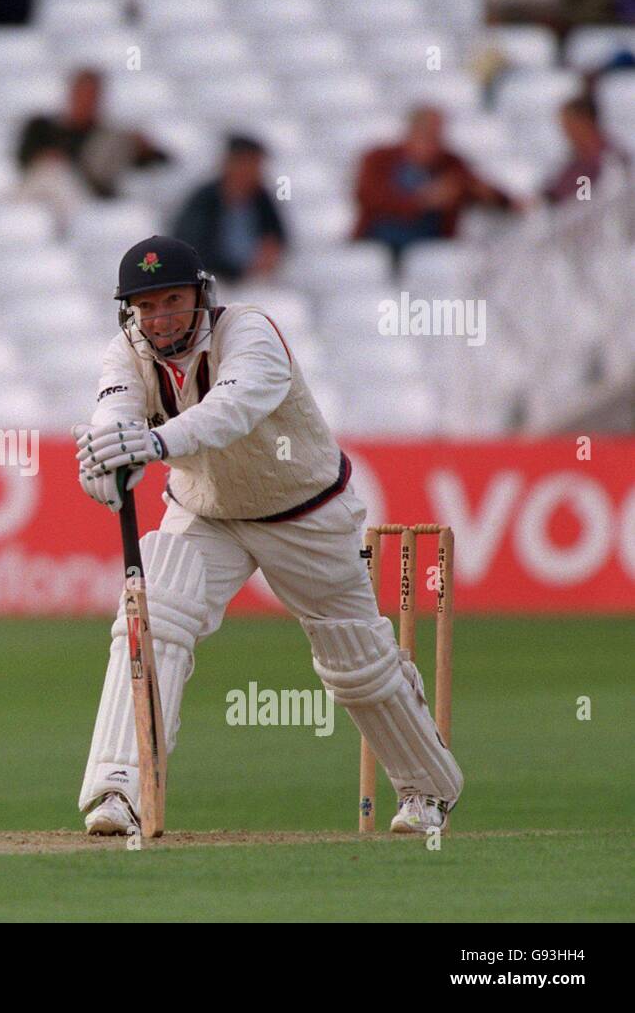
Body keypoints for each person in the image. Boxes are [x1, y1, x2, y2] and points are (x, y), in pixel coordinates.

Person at [71, 236, 463, 836]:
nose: (159, 318)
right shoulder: (127, 350)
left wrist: (150, 444)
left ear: (202, 295)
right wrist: (106, 462)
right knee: (154, 610)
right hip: (206, 511)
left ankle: (428, 790)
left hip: (303, 513)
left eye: (171, 300)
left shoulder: (251, 333)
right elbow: (113, 414)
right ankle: (121, 788)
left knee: (355, 662)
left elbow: (232, 412)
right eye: (145, 306)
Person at [353, 106, 515, 263]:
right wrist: (423, 201)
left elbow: (482, 190)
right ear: (411, 133)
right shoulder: (379, 159)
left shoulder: (451, 163)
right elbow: (368, 197)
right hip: (383, 242)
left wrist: (492, 196)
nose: (432, 143)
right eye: (426, 135)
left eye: (436, 136)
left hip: (434, 244)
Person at [17, 69, 169, 212]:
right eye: (82, 94)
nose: (86, 102)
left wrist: (143, 148)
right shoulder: (43, 128)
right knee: (50, 171)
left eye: (92, 96)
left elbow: (158, 161)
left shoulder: (110, 137)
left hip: (89, 200)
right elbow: (25, 160)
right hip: (43, 196)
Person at [170, 134, 286, 283]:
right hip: (214, 280)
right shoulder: (204, 200)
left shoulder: (262, 199)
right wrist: (237, 270)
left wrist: (270, 250)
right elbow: (191, 247)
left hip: (255, 280)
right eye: (247, 163)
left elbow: (277, 236)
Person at [544, 95, 629, 203]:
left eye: (570, 126)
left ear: (586, 122)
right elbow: (554, 192)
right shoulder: (574, 160)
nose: (567, 133)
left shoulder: (612, 161)